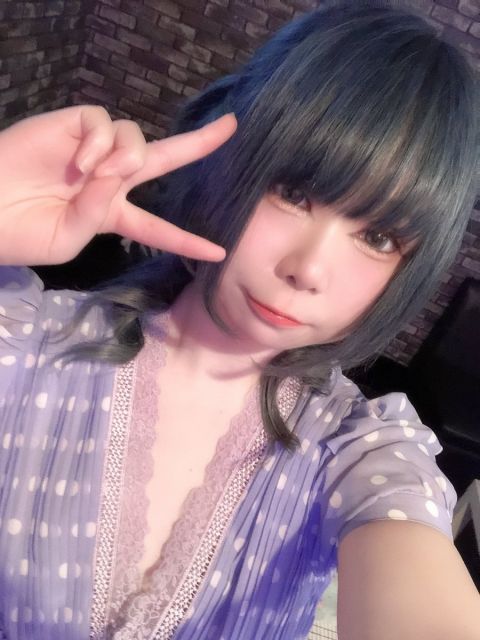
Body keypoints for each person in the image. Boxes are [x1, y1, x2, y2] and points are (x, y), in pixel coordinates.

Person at [0, 2, 479, 639]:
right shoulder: (28, 341)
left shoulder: (361, 449)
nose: (308, 269)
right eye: (294, 194)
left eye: (380, 238)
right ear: (230, 157)